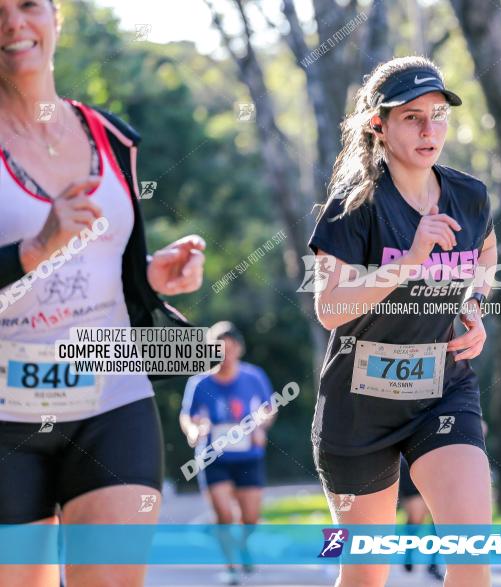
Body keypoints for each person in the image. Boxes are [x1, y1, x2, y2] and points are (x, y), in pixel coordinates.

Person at [0, 1, 205, 586]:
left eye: (28, 5)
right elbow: (42, 250)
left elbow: (105, 260)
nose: (13, 23)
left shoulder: (108, 135)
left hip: (111, 395)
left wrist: (150, 275)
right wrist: (33, 249)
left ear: (55, 17)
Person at [308, 55, 497, 587]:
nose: (429, 128)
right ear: (379, 125)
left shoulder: (469, 195)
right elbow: (331, 307)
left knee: (471, 557)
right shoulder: (354, 207)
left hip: (441, 390)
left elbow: (485, 252)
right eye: (411, 116)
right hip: (358, 407)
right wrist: (408, 262)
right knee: (367, 575)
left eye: (438, 114)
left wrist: (472, 305)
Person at [180, 321, 275, 586]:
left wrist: (260, 426)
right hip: (213, 457)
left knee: (251, 519)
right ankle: (231, 566)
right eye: (219, 348)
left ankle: (243, 547)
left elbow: (268, 409)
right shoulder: (199, 382)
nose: (225, 354)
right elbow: (187, 415)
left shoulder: (254, 377)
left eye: (230, 347)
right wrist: (192, 431)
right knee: (224, 514)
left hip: (248, 456)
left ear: (238, 349)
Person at [398, 456, 443, 581]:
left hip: (443, 464)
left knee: (439, 519)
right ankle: (408, 555)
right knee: (416, 518)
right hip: (413, 462)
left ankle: (433, 563)